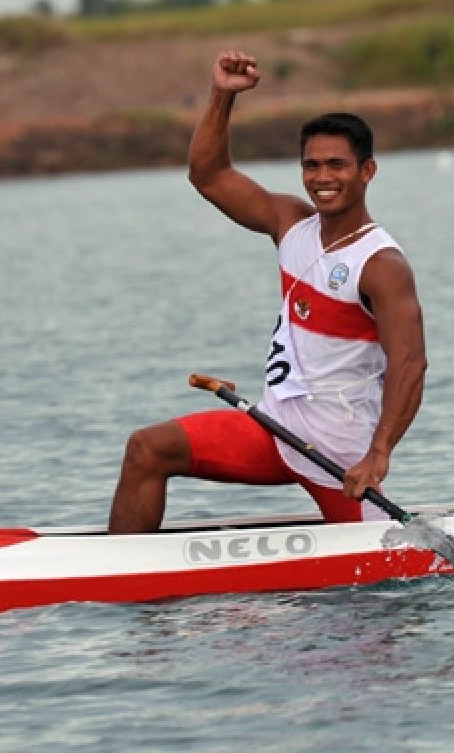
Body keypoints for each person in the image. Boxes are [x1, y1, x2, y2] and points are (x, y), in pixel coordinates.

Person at [108, 50, 427, 533]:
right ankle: (121, 575)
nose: (323, 178)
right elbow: (209, 176)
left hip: (335, 450)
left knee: (381, 561)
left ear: (367, 171)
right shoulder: (290, 224)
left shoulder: (381, 265)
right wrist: (222, 96)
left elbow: (409, 364)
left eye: (337, 165)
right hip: (275, 428)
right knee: (147, 449)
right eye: (312, 165)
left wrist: (378, 453)